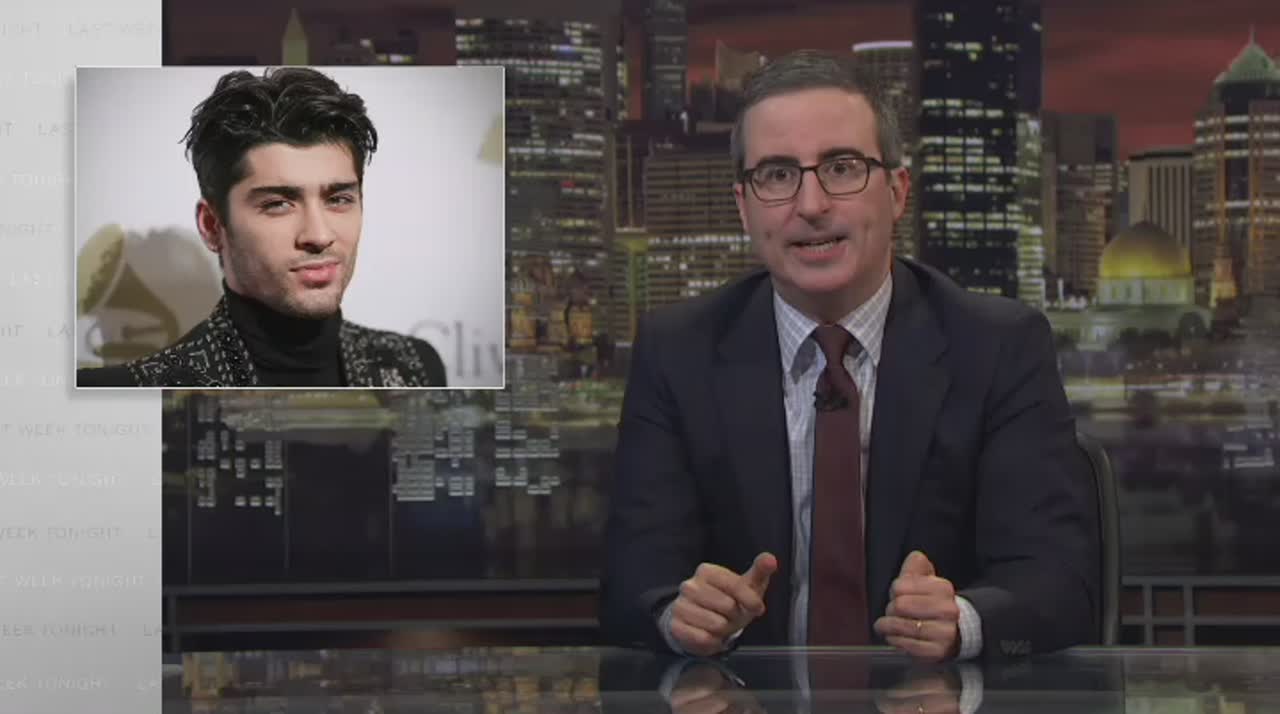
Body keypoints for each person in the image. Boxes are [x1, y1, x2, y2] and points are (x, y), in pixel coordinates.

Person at [600, 50, 1098, 662]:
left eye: (841, 168)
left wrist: (963, 621)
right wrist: (678, 615)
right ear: (744, 207)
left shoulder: (998, 347)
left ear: (898, 191)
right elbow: (631, 587)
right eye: (777, 175)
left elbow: (1061, 583)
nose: (810, 204)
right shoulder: (678, 353)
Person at [76, 67, 446, 388]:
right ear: (212, 226)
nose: (319, 236)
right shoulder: (125, 391)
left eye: (338, 199)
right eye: (278, 204)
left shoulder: (415, 366)